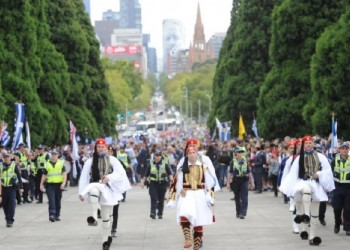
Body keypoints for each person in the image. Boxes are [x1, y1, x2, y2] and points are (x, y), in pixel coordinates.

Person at [280, 135, 335, 246]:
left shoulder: (320, 156)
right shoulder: (298, 158)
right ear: (303, 145)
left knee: (315, 214)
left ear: (313, 144)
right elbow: (293, 174)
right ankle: (305, 215)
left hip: (316, 184)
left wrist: (318, 174)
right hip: (303, 182)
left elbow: (328, 171)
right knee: (306, 189)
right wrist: (288, 188)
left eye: (310, 143)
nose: (309, 145)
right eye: (306, 143)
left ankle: (312, 237)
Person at [167, 138, 220, 250]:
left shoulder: (204, 162)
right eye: (189, 151)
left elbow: (212, 181)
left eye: (194, 149)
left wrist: (210, 196)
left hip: (200, 194)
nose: (192, 153)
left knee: (198, 221)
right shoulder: (182, 164)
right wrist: (173, 197)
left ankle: (197, 245)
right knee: (184, 214)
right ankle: (187, 238)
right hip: (187, 194)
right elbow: (176, 181)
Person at [79, 138, 131, 250]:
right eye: (99, 147)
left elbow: (120, 173)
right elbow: (84, 177)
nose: (101, 149)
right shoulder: (90, 161)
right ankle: (94, 217)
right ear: (96, 148)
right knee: (93, 190)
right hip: (95, 185)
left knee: (107, 218)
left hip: (108, 189)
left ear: (106, 148)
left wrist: (109, 177)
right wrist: (81, 193)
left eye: (103, 147)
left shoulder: (112, 160)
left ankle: (105, 241)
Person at [141, 149, 173, 219]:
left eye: (159, 156)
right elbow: (146, 174)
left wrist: (171, 179)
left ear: (161, 157)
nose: (158, 157)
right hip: (153, 184)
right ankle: (153, 212)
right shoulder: (150, 164)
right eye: (156, 156)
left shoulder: (165, 163)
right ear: (154, 156)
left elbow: (170, 173)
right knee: (154, 198)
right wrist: (143, 182)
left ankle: (160, 213)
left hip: (163, 184)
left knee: (161, 200)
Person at [227, 147, 254, 219]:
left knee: (244, 197)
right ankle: (238, 212)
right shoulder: (233, 161)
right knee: (237, 197)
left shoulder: (245, 161)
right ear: (236, 153)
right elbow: (230, 173)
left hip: (244, 180)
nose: (240, 153)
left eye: (241, 152)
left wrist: (252, 182)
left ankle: (243, 213)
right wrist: (228, 183)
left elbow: (249, 172)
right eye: (239, 152)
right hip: (236, 181)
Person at [40, 149, 67, 222]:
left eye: (55, 154)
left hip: (59, 185)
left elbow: (64, 174)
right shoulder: (47, 164)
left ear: (58, 155)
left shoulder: (61, 163)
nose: (53, 156)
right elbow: (44, 175)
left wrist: (64, 183)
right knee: (51, 200)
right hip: (50, 185)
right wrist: (41, 184)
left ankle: (57, 215)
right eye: (52, 154)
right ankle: (51, 214)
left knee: (58, 201)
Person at [331, 142, 350, 235]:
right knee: (337, 208)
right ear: (340, 150)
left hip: (348, 188)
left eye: (346, 148)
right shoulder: (335, 160)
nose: (345, 150)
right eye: (343, 148)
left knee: (348, 209)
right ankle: (337, 223)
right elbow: (330, 172)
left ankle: (348, 227)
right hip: (337, 187)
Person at [0, 152, 23, 227]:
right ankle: (7, 218)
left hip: (12, 188)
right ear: (3, 158)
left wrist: (21, 187)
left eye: (7, 157)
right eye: (5, 157)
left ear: (10, 158)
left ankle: (10, 220)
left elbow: (19, 177)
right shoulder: (1, 166)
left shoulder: (14, 166)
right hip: (3, 188)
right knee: (4, 204)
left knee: (12, 204)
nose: (6, 158)